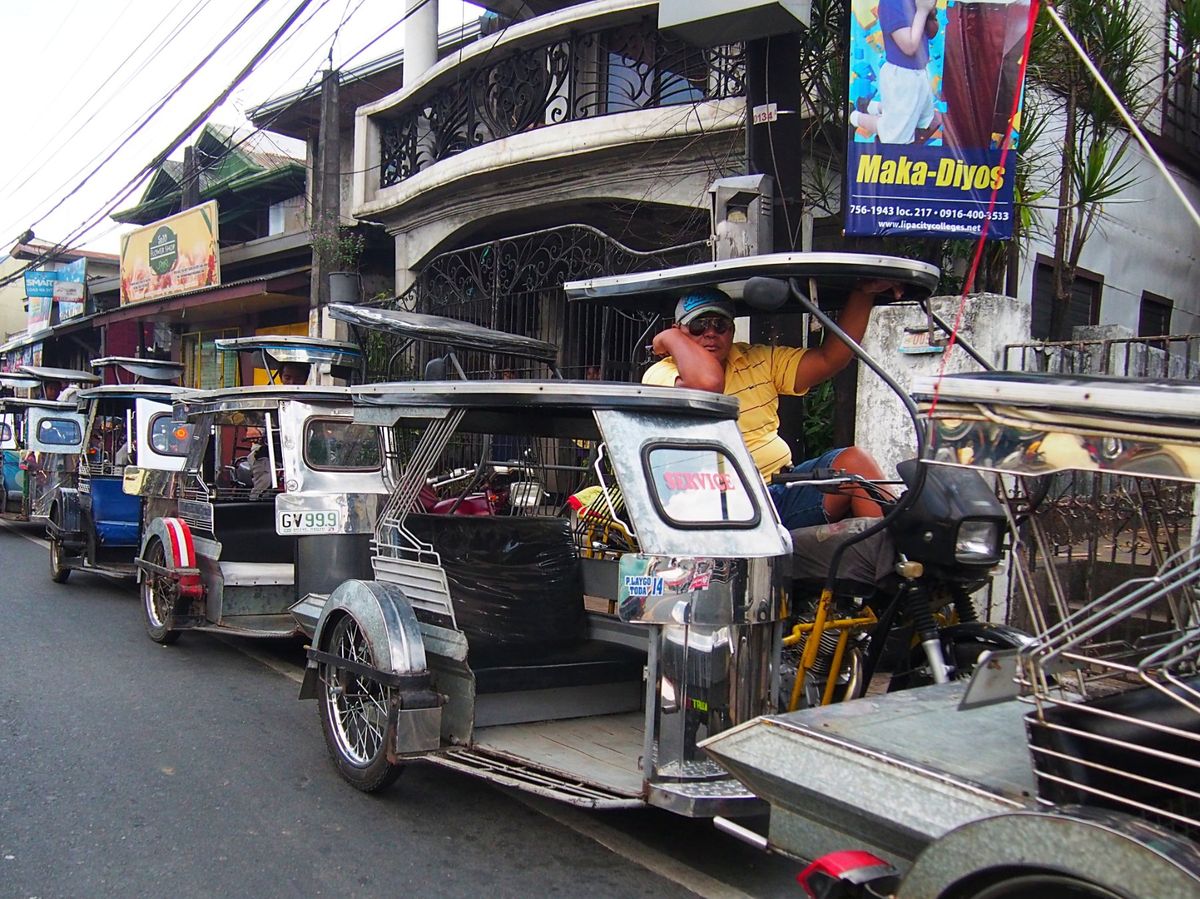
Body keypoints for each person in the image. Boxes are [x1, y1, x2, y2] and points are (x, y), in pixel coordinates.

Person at [642, 282, 899, 529]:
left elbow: (828, 360)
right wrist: (670, 338)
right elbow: (707, 385)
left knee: (856, 463)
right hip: (719, 501)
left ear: (732, 330)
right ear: (679, 330)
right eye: (698, 325)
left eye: (720, 325)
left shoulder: (755, 359)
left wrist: (864, 293)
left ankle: (894, 551)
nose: (710, 333)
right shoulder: (661, 374)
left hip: (780, 487)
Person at [850, 0, 942, 145]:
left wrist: (930, 12)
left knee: (927, 121)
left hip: (920, 73)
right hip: (902, 76)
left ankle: (873, 107)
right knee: (895, 136)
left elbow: (931, 32)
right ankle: (855, 117)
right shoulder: (891, 3)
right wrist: (923, 10)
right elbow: (909, 46)